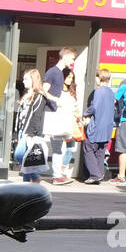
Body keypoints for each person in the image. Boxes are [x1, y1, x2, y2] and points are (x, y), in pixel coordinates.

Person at [41, 47, 77, 182]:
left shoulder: (58, 73)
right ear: (66, 57)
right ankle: (57, 176)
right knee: (57, 146)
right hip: (52, 113)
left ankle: (58, 175)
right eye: (72, 58)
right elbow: (43, 90)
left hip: (55, 112)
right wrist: (57, 100)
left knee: (59, 146)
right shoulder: (53, 72)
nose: (72, 61)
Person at [79, 69, 115, 184]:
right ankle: (99, 173)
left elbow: (94, 107)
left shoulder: (98, 91)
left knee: (88, 147)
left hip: (97, 126)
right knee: (100, 151)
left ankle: (95, 175)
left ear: (99, 78)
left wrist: (85, 113)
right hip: (107, 128)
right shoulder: (111, 92)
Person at [13, 69, 47, 183]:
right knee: (25, 158)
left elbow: (36, 116)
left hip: (29, 131)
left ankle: (36, 177)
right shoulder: (27, 94)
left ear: (33, 80)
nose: (23, 81)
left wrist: (31, 134)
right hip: (22, 130)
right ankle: (26, 185)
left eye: (26, 79)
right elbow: (21, 114)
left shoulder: (39, 96)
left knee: (19, 155)